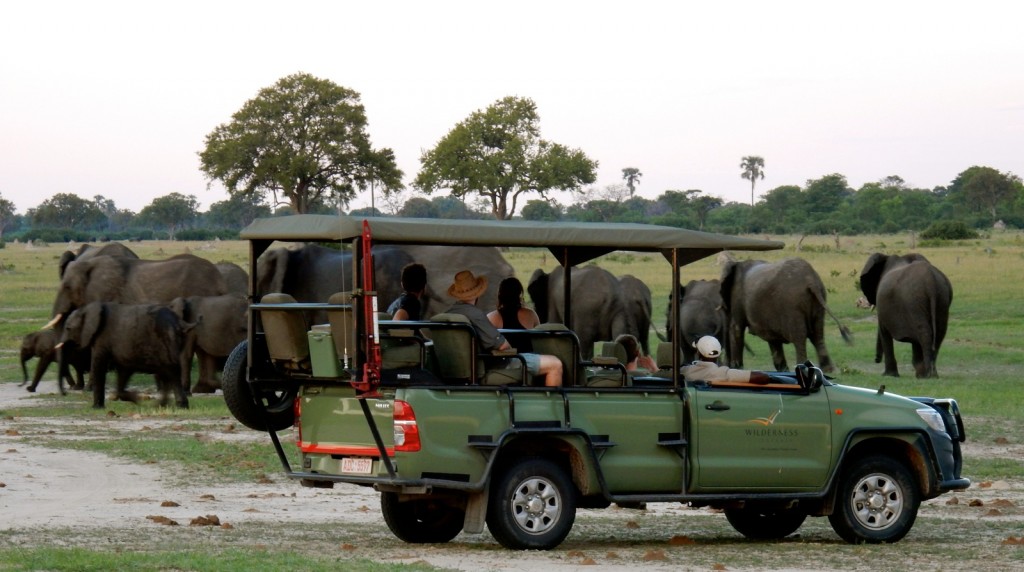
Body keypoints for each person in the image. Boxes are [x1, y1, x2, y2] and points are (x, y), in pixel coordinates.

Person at [446, 270, 563, 387]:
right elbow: (503, 346)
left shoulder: (448, 315)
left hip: (457, 370)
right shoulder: (476, 315)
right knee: (555, 364)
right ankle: (551, 404)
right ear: (477, 293)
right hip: (499, 364)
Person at [681, 335, 770, 384]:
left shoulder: (684, 371)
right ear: (719, 353)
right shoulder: (724, 373)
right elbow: (763, 377)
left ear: (698, 353)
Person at [487, 277, 538, 353]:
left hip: (504, 361)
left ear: (500, 295)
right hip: (527, 361)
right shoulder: (531, 314)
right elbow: (539, 340)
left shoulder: (491, 317)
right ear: (519, 294)